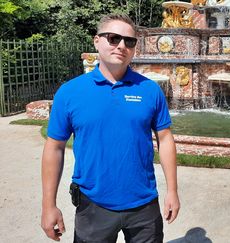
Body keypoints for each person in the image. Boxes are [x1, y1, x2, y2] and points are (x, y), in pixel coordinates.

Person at [40, 13, 180, 242]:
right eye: (113, 38)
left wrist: (172, 191)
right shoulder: (70, 92)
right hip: (93, 205)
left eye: (129, 41)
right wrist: (48, 205)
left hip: (144, 205)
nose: (121, 45)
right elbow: (54, 147)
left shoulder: (150, 90)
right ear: (97, 41)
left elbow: (165, 139)